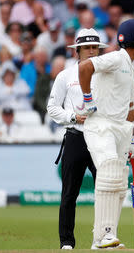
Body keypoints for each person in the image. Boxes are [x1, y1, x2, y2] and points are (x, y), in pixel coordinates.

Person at [77, 19, 134, 249]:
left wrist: (133, 140)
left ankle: (101, 238)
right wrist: (87, 99)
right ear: (128, 40)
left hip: (120, 128)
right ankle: (106, 234)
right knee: (109, 167)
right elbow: (84, 67)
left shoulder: (130, 66)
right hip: (101, 124)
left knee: (119, 182)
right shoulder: (117, 57)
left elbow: (130, 108)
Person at [46, 28, 107, 250]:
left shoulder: (107, 74)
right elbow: (52, 107)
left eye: (95, 47)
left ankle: (101, 238)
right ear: (77, 51)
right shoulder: (65, 75)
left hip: (101, 137)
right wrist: (72, 116)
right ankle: (66, 242)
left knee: (105, 191)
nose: (91, 51)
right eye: (87, 48)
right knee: (69, 192)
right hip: (75, 137)